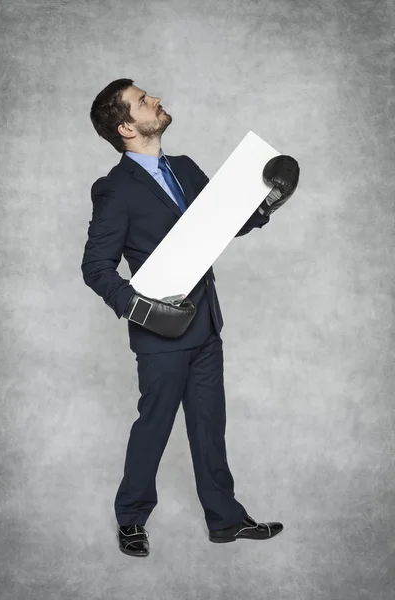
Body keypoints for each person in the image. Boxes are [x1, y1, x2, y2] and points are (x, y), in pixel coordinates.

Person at [81, 78, 299, 558]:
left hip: (205, 325)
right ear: (125, 127)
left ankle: (225, 521)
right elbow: (95, 268)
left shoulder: (183, 168)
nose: (155, 100)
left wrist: (268, 200)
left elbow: (227, 222)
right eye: (143, 101)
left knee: (208, 426)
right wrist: (139, 308)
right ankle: (131, 519)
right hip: (159, 333)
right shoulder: (114, 190)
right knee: (154, 426)